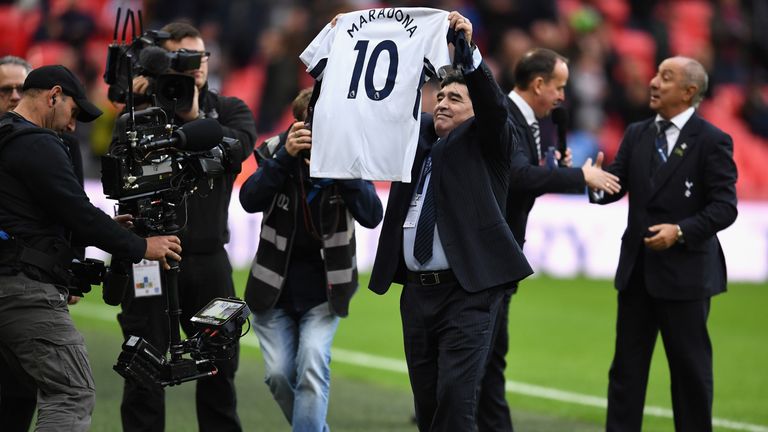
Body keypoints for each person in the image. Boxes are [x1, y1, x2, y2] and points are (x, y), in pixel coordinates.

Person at [369, 12, 532, 432]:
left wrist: (468, 52)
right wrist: (342, 53)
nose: (442, 102)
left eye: (455, 98)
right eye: (440, 96)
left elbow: (494, 108)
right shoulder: (418, 143)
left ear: (476, 110)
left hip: (467, 294)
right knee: (428, 407)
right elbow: (381, 106)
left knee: (456, 405)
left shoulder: (489, 144)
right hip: (417, 298)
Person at [0, 64, 182, 432]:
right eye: (74, 113)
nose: (73, 126)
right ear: (54, 96)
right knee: (71, 393)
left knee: (15, 395)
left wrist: (103, 232)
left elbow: (37, 218)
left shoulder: (6, 138)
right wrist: (141, 246)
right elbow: (78, 212)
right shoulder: (38, 142)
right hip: (24, 291)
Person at [116, 22, 257, 432]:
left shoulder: (229, 110)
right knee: (143, 366)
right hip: (148, 260)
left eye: (199, 58)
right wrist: (145, 108)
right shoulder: (136, 117)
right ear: (162, 62)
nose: (193, 67)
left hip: (208, 258)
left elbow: (238, 150)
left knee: (219, 366)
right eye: (181, 59)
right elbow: (121, 179)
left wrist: (193, 115)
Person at [590, 56, 738, 431]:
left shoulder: (712, 141)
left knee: (690, 375)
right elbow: (616, 187)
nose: (654, 81)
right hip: (638, 273)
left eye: (666, 77)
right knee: (625, 373)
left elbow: (725, 208)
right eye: (656, 73)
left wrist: (682, 231)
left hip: (686, 277)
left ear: (689, 92)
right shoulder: (637, 132)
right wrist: (594, 182)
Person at [477, 47, 621, 432]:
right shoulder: (504, 117)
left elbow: (521, 182)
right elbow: (519, 177)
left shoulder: (535, 122)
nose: (562, 97)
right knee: (485, 357)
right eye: (558, 87)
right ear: (538, 84)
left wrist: (556, 171)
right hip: (487, 257)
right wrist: (578, 178)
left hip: (502, 256)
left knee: (491, 357)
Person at [239, 87, 383, 431]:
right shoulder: (275, 152)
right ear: (297, 125)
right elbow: (249, 199)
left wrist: (342, 170)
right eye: (311, 126)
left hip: (325, 290)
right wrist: (285, 158)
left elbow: (372, 214)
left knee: (313, 368)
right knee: (277, 376)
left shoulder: (348, 156)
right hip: (272, 288)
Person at [0, 55, 38, 432]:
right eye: (5, 89)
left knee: (23, 388)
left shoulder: (55, 142)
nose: (13, 96)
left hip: (32, 281)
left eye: (20, 89)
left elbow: (70, 207)